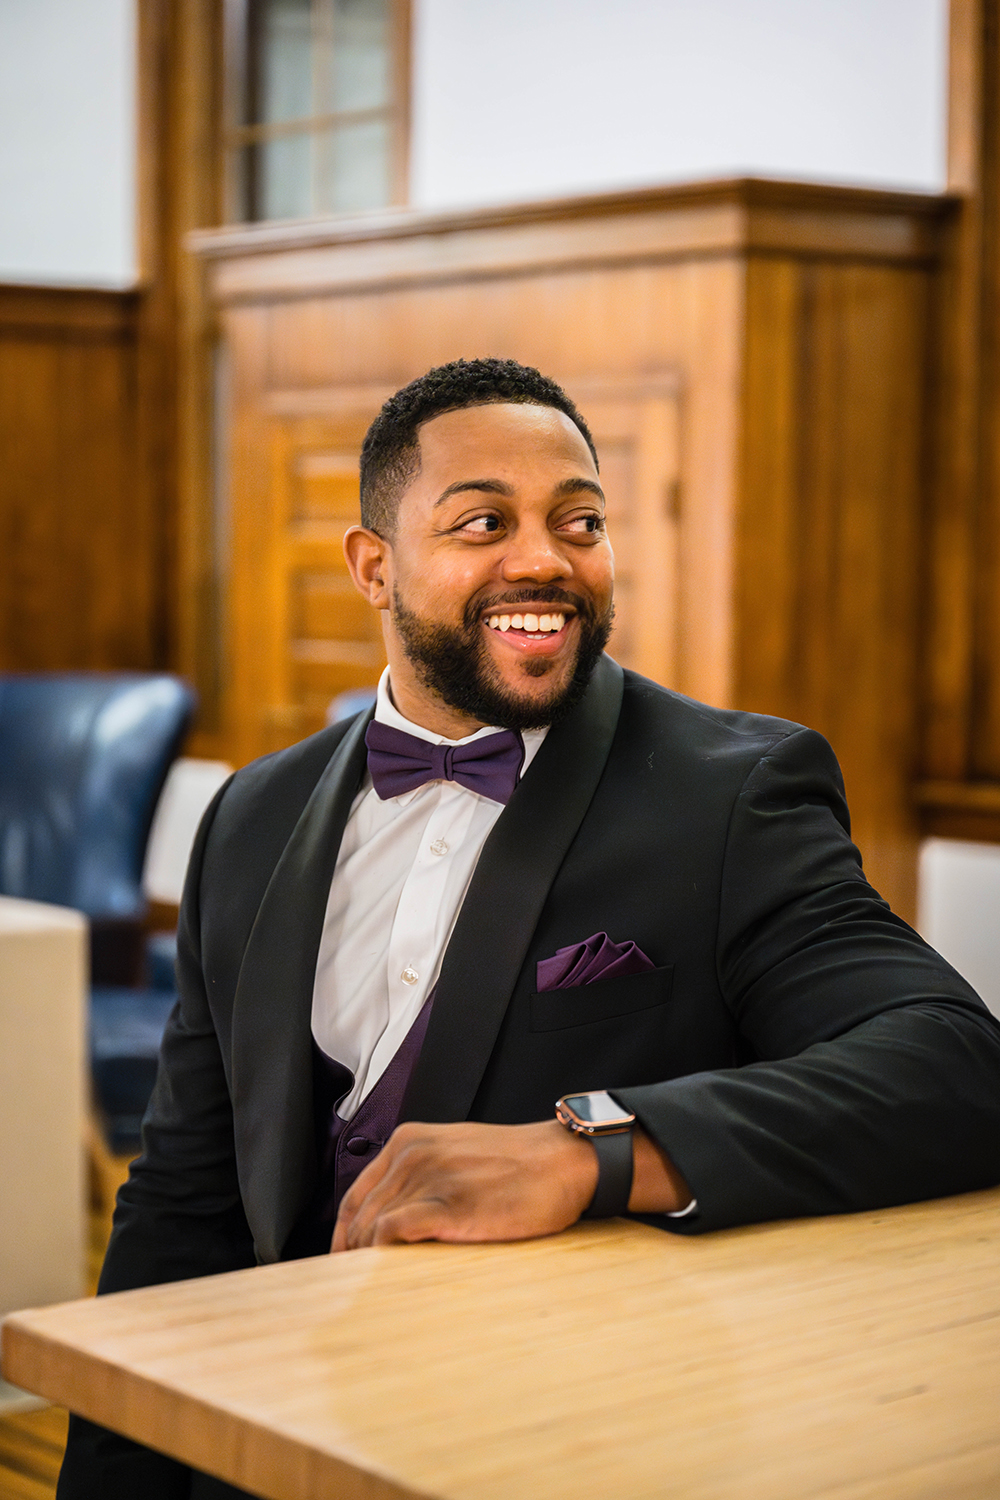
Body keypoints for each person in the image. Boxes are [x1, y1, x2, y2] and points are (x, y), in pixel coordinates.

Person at [59, 358, 1000, 1497]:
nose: (545, 558)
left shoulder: (732, 793)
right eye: (482, 523)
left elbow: (954, 1067)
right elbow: (184, 1199)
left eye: (579, 520)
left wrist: (594, 1149)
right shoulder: (248, 817)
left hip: (566, 1444)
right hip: (273, 1420)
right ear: (374, 566)